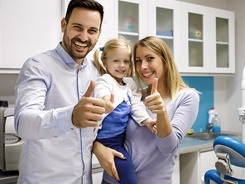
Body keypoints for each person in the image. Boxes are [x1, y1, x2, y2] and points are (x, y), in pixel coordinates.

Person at [13, 0, 116, 183]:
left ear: (99, 33)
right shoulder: (38, 66)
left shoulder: (95, 71)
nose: (84, 37)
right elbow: (23, 123)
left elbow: (90, 131)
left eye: (92, 31)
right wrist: (71, 117)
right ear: (64, 25)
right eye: (77, 27)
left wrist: (98, 146)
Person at [93, 36, 200, 184]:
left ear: (165, 61)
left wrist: (161, 112)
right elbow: (106, 130)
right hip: (112, 180)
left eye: (150, 58)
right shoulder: (134, 95)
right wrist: (97, 148)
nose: (143, 66)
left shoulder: (187, 97)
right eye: (138, 60)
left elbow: (167, 147)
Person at [93, 36, 156, 184]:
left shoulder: (129, 84)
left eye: (126, 61)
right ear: (105, 61)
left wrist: (146, 120)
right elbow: (102, 91)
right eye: (116, 61)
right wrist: (106, 102)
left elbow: (136, 104)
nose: (121, 66)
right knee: (129, 179)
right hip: (105, 141)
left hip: (119, 141)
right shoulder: (105, 79)